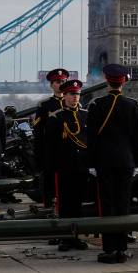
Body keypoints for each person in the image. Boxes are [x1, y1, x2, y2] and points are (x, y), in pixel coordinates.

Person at [87, 64, 138, 264]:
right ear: (124, 81)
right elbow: (137, 138)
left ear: (106, 80)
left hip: (103, 162)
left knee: (108, 205)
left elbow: (91, 138)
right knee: (123, 204)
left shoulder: (96, 105)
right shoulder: (132, 105)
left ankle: (109, 249)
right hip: (126, 162)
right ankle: (122, 249)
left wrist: (91, 162)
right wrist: (136, 162)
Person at [47, 79, 89, 252]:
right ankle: (65, 238)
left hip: (82, 166)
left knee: (78, 204)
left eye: (77, 94)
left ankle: (76, 236)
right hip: (64, 166)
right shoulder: (56, 117)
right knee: (65, 204)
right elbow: (50, 146)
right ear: (64, 95)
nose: (75, 97)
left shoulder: (86, 115)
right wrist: (51, 168)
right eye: (72, 94)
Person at [33, 68, 68, 210]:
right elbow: (38, 131)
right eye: (57, 82)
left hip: (67, 149)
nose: (60, 84)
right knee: (49, 182)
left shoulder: (73, 102)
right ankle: (48, 208)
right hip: (50, 149)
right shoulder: (45, 105)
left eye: (63, 81)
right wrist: (39, 154)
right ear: (51, 85)